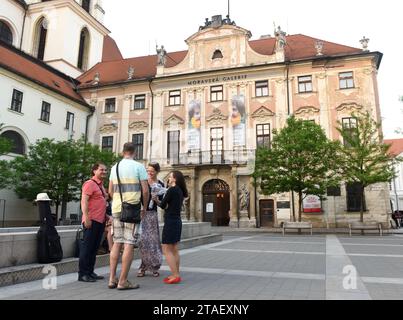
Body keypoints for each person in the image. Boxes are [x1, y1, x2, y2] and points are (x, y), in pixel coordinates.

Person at [108, 143, 149, 290]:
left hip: (117, 208)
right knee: (129, 244)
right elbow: (145, 191)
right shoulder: (139, 167)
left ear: (122, 151)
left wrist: (118, 200)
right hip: (132, 209)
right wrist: (144, 207)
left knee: (117, 242)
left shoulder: (115, 167)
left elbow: (110, 190)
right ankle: (123, 281)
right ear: (135, 151)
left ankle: (112, 279)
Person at [153, 171, 188, 285]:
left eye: (171, 176)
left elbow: (163, 205)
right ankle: (176, 273)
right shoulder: (180, 191)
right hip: (177, 221)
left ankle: (175, 275)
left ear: (175, 179)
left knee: (166, 249)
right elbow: (171, 205)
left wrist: (155, 199)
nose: (168, 178)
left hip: (170, 221)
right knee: (174, 249)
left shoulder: (172, 190)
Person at [78, 163, 111, 283]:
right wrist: (86, 217)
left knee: (94, 248)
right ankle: (82, 274)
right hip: (91, 221)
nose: (104, 172)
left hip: (100, 220)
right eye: (101, 170)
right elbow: (84, 201)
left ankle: (90, 272)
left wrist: (107, 216)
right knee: (87, 248)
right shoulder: (89, 184)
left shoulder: (101, 186)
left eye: (106, 170)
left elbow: (99, 204)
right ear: (94, 171)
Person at [137, 163, 166, 278]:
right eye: (148, 170)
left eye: (152, 171)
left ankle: (154, 266)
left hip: (152, 215)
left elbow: (162, 204)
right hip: (141, 214)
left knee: (153, 242)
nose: (149, 172)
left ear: (157, 171)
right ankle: (143, 266)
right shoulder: (143, 182)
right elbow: (137, 197)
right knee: (143, 241)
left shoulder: (160, 184)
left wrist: (156, 200)